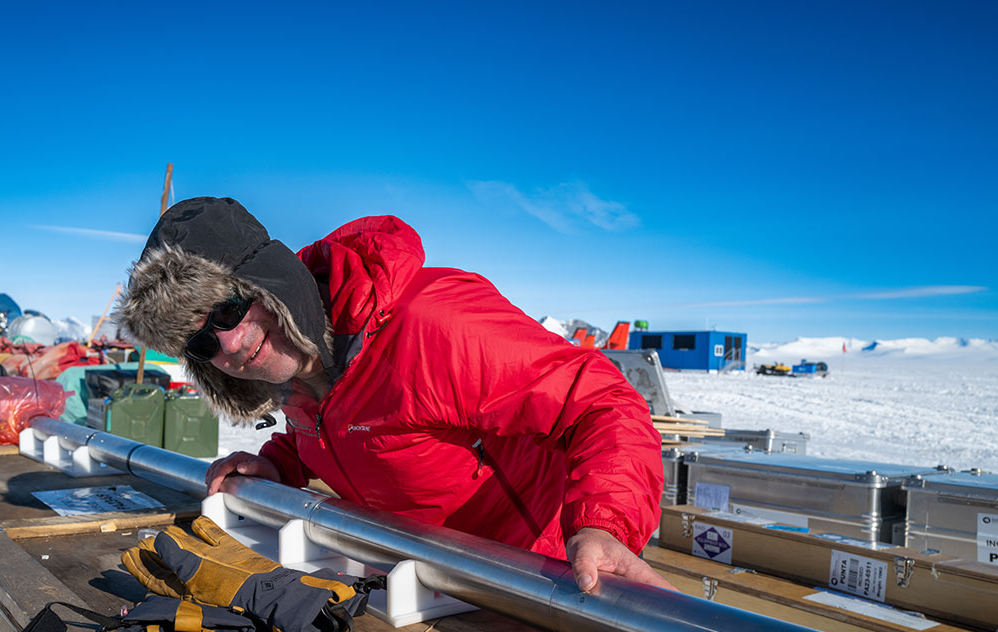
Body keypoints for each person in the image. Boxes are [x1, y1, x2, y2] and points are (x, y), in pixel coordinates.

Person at [115, 197, 670, 593]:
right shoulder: (299, 371)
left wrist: (603, 524)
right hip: (440, 590)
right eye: (202, 340)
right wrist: (278, 466)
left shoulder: (433, 326)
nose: (230, 343)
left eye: (230, 311)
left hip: (551, 580)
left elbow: (600, 401)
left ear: (270, 282)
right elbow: (341, 431)